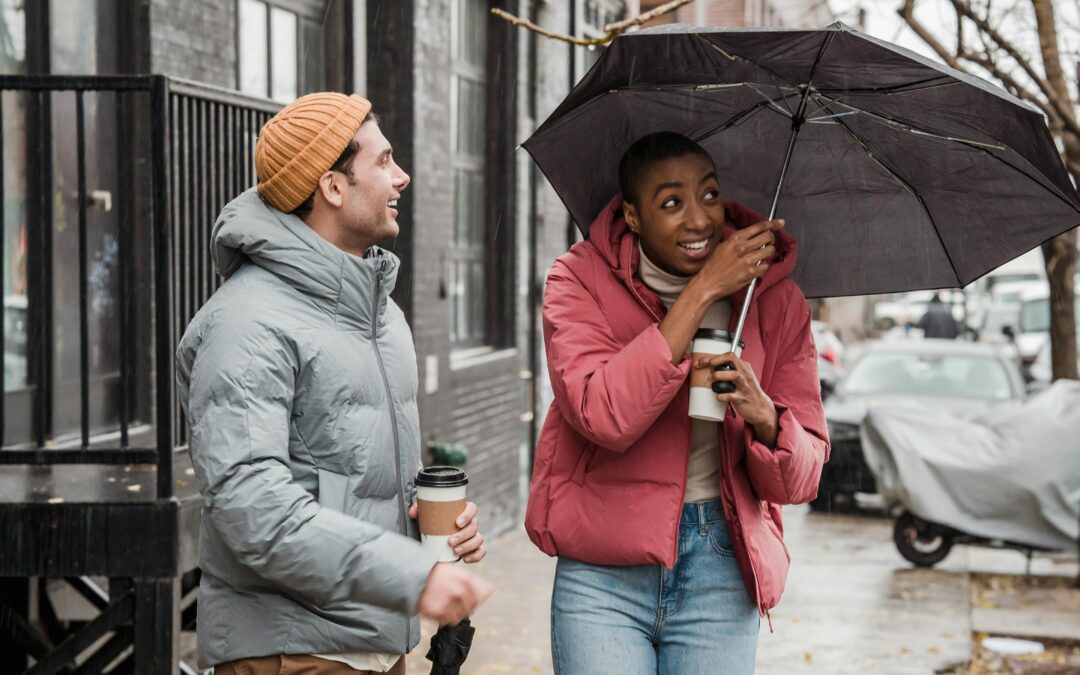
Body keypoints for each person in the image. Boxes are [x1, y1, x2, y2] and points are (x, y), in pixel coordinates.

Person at [176, 92, 492, 675]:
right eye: (383, 161)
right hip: (293, 650)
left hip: (372, 643)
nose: (403, 176)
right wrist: (409, 574)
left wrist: (430, 527)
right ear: (333, 187)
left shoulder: (379, 313)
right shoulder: (247, 322)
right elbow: (253, 508)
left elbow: (348, 475)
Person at [525, 132, 829, 674]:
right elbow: (602, 414)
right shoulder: (578, 281)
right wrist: (704, 291)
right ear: (633, 217)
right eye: (671, 203)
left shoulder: (774, 300)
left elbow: (802, 481)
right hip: (603, 570)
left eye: (709, 195)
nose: (698, 220)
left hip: (722, 564)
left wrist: (763, 415)